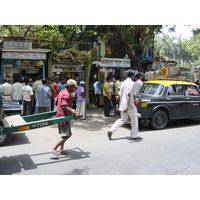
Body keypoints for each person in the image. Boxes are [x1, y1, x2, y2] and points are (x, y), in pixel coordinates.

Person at [49, 79, 82, 157]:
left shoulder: (62, 92)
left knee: (64, 134)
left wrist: (71, 110)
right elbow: (64, 106)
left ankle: (61, 150)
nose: (75, 89)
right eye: (74, 87)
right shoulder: (67, 94)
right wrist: (73, 112)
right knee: (68, 135)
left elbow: (57, 103)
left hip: (60, 115)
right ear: (70, 87)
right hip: (63, 116)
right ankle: (54, 148)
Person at [107, 70, 143, 141]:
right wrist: (130, 104)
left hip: (123, 104)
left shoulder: (123, 83)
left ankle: (111, 130)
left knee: (123, 119)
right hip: (129, 104)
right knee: (134, 119)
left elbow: (120, 94)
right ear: (133, 76)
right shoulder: (131, 83)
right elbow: (129, 94)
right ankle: (134, 135)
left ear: (127, 75)